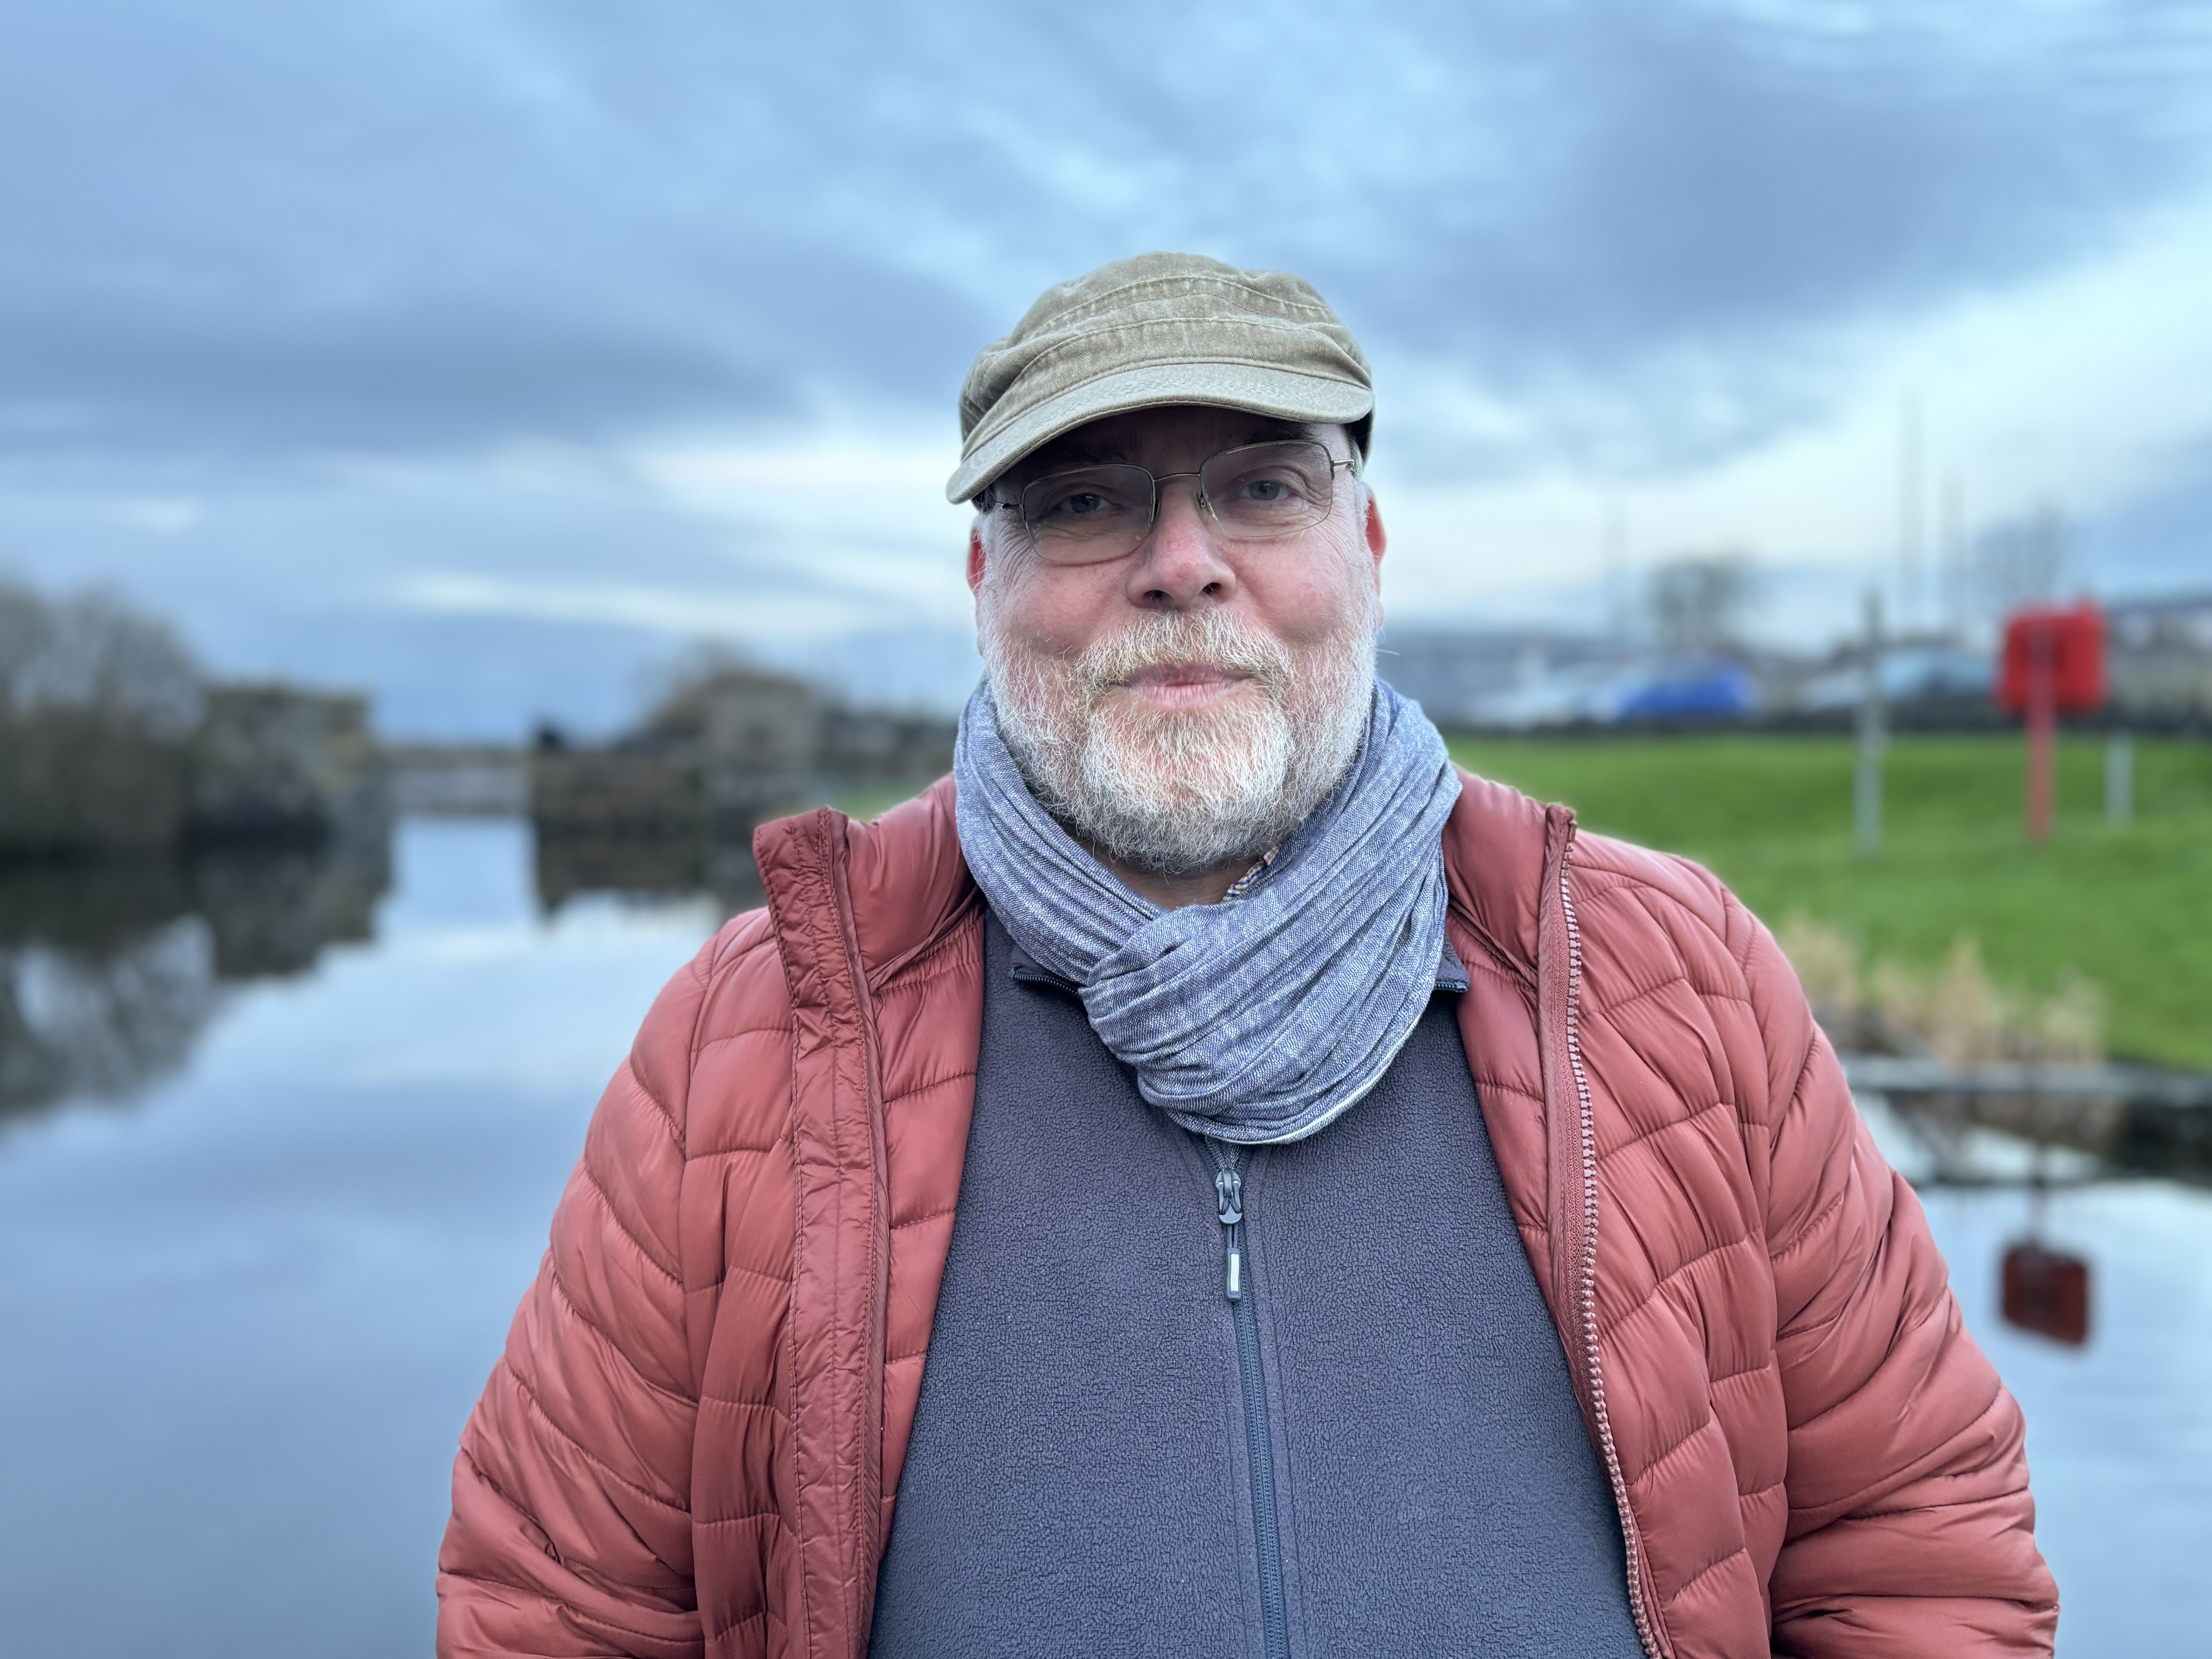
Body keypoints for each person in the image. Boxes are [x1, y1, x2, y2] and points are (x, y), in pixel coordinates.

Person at [436, 253, 2057, 1659]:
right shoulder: (752, 1042)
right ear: (983, 579)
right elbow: (554, 1609)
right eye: (1082, 500)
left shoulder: (1671, 974)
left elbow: (1921, 1541)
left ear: (1370, 546)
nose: (1182, 559)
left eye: (1263, 487)